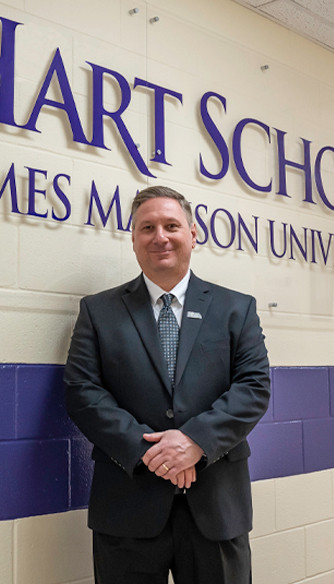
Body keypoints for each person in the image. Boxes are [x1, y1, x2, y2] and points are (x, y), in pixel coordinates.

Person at [64, 185, 271, 583]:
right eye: (147, 228)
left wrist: (193, 441)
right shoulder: (98, 311)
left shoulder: (236, 308)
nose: (160, 236)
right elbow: (83, 392)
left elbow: (254, 387)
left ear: (193, 233)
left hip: (216, 507)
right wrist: (153, 454)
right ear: (134, 240)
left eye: (171, 225)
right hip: (128, 506)